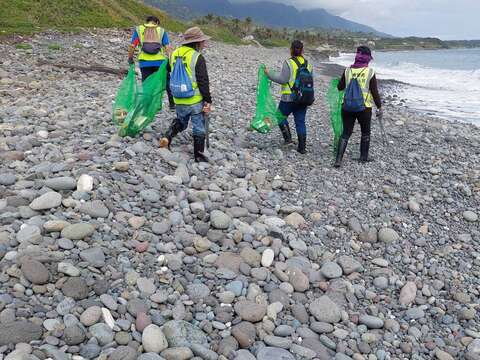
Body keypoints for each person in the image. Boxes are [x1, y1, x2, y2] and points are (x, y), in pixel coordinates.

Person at [159, 27, 212, 163]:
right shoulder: (197, 57)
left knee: (182, 122)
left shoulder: (174, 53)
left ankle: (168, 136)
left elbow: (169, 70)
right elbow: (203, 81)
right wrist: (207, 100)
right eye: (202, 42)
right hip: (194, 99)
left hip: (178, 97)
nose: (203, 44)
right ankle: (198, 156)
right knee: (198, 126)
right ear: (197, 43)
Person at [334, 46, 382, 167]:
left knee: (346, 132)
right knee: (365, 132)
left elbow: (340, 87)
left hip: (347, 106)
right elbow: (374, 92)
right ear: (367, 58)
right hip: (364, 107)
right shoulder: (369, 72)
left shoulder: (347, 70)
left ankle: (338, 159)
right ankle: (363, 157)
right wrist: (379, 106)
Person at [264, 40, 313, 154]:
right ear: (302, 50)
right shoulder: (308, 64)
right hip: (303, 98)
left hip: (289, 98)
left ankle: (288, 140)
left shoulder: (288, 63)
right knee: (300, 121)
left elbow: (283, 80)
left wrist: (268, 74)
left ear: (291, 49)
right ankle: (302, 148)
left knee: (280, 116)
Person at [128, 15, 175, 110]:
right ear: (157, 23)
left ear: (147, 22)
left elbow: (133, 45)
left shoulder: (139, 30)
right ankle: (172, 105)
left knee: (147, 84)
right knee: (166, 83)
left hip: (144, 63)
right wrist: (170, 61)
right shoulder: (161, 30)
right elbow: (167, 48)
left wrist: (130, 58)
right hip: (160, 63)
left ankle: (148, 106)